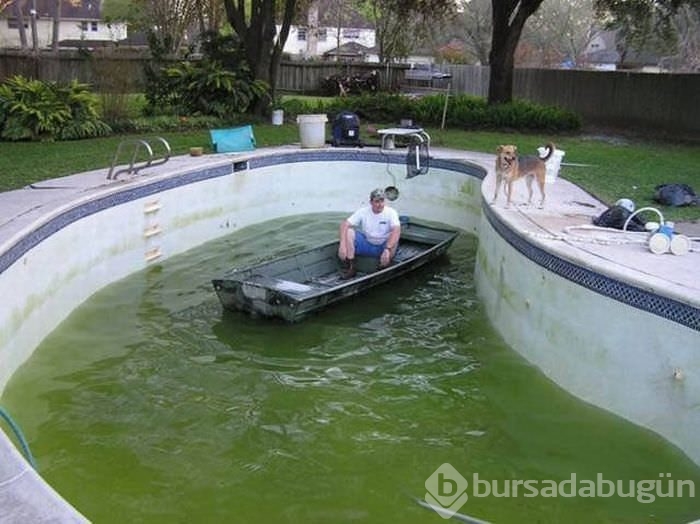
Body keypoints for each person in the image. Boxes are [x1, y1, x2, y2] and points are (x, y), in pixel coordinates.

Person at [338, 188, 401, 279]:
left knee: (395, 235)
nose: (380, 205)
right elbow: (345, 224)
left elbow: (397, 230)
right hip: (367, 243)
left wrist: (387, 249)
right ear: (371, 202)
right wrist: (342, 245)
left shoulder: (391, 212)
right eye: (377, 202)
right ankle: (351, 267)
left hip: (383, 246)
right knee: (348, 232)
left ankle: (383, 267)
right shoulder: (363, 211)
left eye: (382, 201)